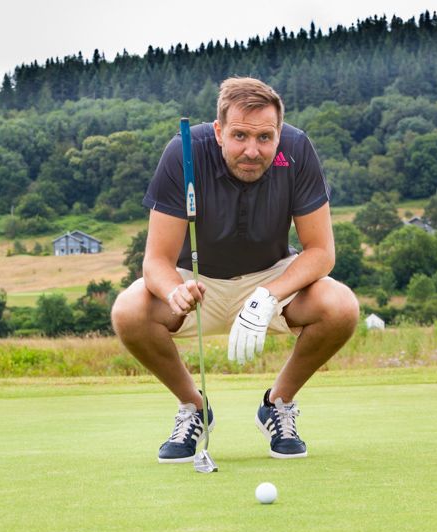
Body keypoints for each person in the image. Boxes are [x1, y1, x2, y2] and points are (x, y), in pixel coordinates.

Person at [111, 77, 359, 463]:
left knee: (341, 306)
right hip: (195, 281)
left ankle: (277, 404)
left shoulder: (297, 149)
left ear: (279, 134)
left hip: (272, 278)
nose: (252, 150)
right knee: (128, 310)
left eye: (265, 137)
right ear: (219, 131)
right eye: (239, 135)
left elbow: (321, 252)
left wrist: (270, 294)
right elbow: (156, 261)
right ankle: (193, 407)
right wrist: (174, 290)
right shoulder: (184, 152)